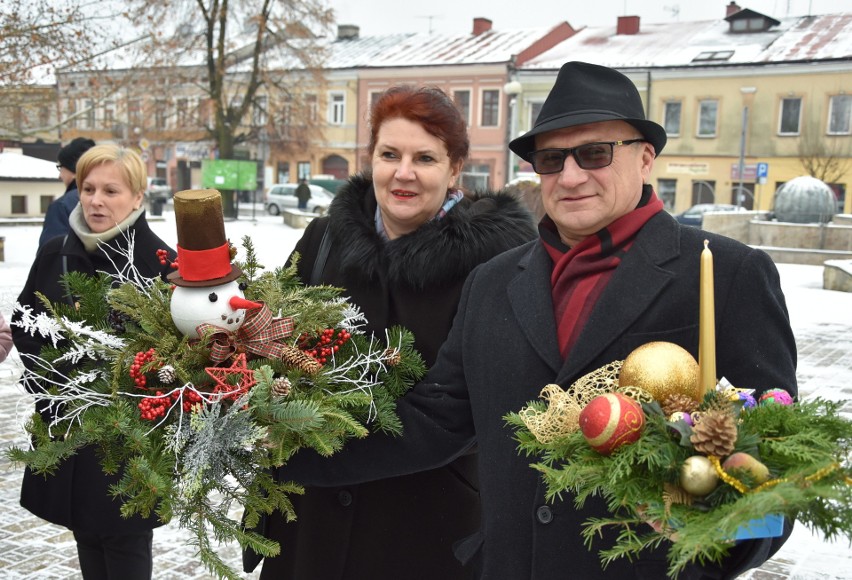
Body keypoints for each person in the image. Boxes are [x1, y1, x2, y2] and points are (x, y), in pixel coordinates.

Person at [279, 62, 798, 579]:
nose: (570, 177)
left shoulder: (726, 274)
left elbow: (779, 451)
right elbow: (434, 420)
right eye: (552, 159)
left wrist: (716, 540)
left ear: (645, 158)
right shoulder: (495, 281)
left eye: (594, 153)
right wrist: (275, 444)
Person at [253, 85, 537, 579]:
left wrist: (307, 454)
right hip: (309, 529)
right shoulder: (324, 240)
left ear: (454, 170)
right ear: (372, 160)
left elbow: (467, 414)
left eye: (424, 158)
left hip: (423, 533)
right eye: (390, 154)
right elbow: (269, 345)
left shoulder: (496, 265)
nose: (403, 173)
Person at [13, 144, 176, 579]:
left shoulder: (158, 265)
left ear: (138, 197)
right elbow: (27, 321)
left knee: (125, 538)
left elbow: (181, 353)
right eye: (88, 188)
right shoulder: (57, 252)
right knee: (85, 530)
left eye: (111, 190)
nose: (96, 200)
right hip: (69, 423)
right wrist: (53, 384)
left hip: (130, 434)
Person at [40, 137, 96, 247]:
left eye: (61, 167)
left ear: (74, 169)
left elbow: (49, 257)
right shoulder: (115, 200)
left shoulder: (62, 206)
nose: (59, 175)